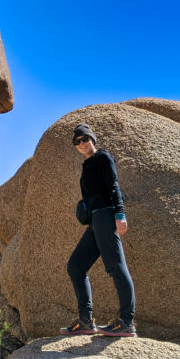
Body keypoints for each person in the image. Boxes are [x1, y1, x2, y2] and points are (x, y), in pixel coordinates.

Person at [60, 123, 137, 337]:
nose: (82, 144)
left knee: (116, 267)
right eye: (77, 142)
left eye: (85, 139)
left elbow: (113, 185)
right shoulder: (87, 165)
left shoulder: (103, 157)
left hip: (106, 215)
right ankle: (85, 321)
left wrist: (120, 214)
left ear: (93, 139)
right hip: (95, 222)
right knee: (76, 266)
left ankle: (127, 322)